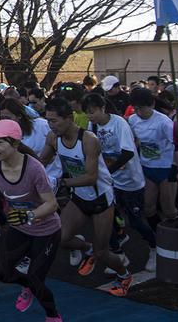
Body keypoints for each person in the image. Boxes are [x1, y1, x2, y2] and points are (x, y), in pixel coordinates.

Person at [0, 120, 62, 322]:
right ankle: (28, 285)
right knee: (0, 272)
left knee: (37, 278)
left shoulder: (34, 169)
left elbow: (52, 205)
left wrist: (30, 216)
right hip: (20, 228)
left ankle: (52, 314)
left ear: (15, 144)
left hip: (46, 231)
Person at [39, 98, 133, 297]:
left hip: (101, 199)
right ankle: (87, 247)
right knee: (60, 238)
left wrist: (61, 183)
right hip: (79, 197)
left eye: (54, 121)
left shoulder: (89, 140)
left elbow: (91, 177)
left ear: (70, 118)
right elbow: (42, 161)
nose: (51, 125)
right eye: (48, 120)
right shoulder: (53, 138)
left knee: (103, 252)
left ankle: (124, 274)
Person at [84, 94, 155, 271]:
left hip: (130, 180)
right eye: (87, 113)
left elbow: (128, 152)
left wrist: (108, 171)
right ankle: (118, 252)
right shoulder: (92, 126)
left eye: (92, 112)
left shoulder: (119, 124)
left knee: (136, 221)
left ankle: (155, 247)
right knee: (106, 218)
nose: (90, 116)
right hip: (109, 182)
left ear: (102, 108)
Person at [128, 88, 177, 236]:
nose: (138, 112)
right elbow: (135, 140)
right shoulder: (133, 120)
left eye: (141, 108)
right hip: (147, 167)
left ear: (152, 105)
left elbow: (177, 145)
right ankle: (159, 236)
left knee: (169, 209)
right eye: (135, 108)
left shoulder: (164, 122)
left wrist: (177, 168)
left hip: (166, 168)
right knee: (148, 208)